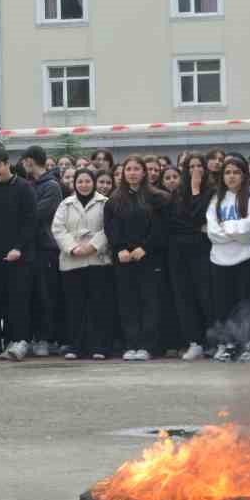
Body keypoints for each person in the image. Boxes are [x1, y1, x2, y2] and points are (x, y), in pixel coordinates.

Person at [0, 145, 37, 361]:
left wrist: (18, 248)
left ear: (6, 164)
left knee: (19, 300)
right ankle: (5, 341)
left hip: (21, 256)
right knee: (0, 300)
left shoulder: (24, 187)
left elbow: (30, 222)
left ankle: (21, 341)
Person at [206, 154, 250, 362]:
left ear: (244, 175)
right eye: (227, 173)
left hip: (247, 257)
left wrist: (227, 229)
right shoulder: (216, 199)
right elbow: (212, 231)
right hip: (220, 259)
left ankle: (248, 343)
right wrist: (234, 232)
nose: (231, 177)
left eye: (236, 172)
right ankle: (229, 343)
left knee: (247, 303)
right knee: (224, 304)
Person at [52, 167, 115, 360]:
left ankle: (100, 347)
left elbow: (109, 228)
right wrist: (72, 248)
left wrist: (93, 246)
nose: (84, 185)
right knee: (75, 306)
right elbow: (57, 229)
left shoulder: (105, 203)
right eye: (80, 181)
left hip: (98, 261)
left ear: (94, 182)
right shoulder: (66, 204)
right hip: (72, 262)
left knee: (99, 305)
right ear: (74, 183)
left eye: (88, 181)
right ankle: (76, 347)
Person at [106, 155, 164, 361]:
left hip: (149, 258)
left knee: (150, 301)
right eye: (128, 169)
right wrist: (119, 248)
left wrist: (145, 247)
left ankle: (147, 346)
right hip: (124, 260)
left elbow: (160, 228)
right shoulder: (114, 200)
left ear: (144, 172)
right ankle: (131, 344)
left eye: (136, 169)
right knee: (127, 303)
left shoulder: (157, 197)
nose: (132, 172)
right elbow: (110, 228)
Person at [165, 153, 215, 362]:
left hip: (202, 251)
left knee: (205, 295)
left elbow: (198, 216)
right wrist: (194, 226)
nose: (196, 170)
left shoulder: (212, 192)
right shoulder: (177, 193)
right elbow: (176, 222)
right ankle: (194, 341)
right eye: (191, 166)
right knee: (184, 297)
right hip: (178, 252)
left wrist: (196, 190)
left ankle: (211, 340)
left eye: (199, 166)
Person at [21, 145, 66, 357]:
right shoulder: (29, 184)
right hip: (30, 248)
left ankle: (46, 339)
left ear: (30, 161)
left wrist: (20, 212)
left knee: (46, 294)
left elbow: (37, 213)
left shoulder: (51, 186)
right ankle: (33, 336)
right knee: (32, 296)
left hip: (46, 248)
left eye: (24, 161)